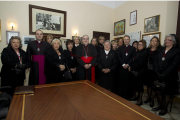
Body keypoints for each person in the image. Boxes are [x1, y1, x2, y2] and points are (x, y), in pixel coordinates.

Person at [152, 34, 180, 115]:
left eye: (169, 40)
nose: (166, 41)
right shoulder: (161, 50)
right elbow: (156, 61)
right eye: (165, 39)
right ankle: (160, 105)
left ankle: (165, 108)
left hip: (169, 76)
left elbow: (174, 65)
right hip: (158, 75)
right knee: (158, 91)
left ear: (173, 42)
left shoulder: (176, 51)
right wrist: (157, 71)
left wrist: (164, 74)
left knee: (167, 93)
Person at [128, 40, 148, 106]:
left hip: (140, 73)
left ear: (144, 45)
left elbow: (140, 63)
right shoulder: (137, 52)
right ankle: (134, 97)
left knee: (139, 87)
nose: (139, 46)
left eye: (141, 45)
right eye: (138, 44)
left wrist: (131, 67)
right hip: (134, 72)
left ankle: (140, 100)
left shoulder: (144, 53)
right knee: (134, 85)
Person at [144, 36, 162, 107]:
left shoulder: (159, 50)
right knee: (148, 86)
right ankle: (149, 97)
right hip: (147, 70)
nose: (153, 42)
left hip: (155, 71)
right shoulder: (147, 50)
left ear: (157, 43)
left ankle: (152, 100)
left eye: (155, 41)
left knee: (153, 86)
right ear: (150, 42)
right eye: (152, 40)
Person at [117, 35, 136, 99]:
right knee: (121, 82)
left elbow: (133, 57)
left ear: (129, 40)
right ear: (123, 40)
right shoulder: (120, 48)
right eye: (125, 39)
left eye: (127, 39)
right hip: (121, 68)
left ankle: (127, 96)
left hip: (128, 68)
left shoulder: (133, 48)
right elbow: (118, 57)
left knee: (127, 82)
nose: (126, 41)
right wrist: (123, 64)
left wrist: (128, 64)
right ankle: (120, 95)